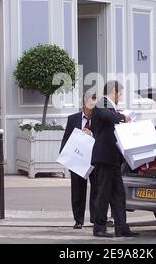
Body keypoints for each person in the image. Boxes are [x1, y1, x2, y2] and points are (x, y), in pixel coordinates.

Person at [90, 81, 139, 238]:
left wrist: (121, 116)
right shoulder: (101, 103)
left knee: (119, 194)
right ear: (114, 92)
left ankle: (121, 227)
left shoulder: (109, 106)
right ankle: (99, 228)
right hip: (104, 158)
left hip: (113, 158)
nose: (120, 97)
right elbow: (108, 116)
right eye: (120, 94)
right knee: (103, 193)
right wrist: (123, 116)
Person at [60, 92, 98, 229]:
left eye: (94, 106)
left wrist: (92, 134)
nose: (92, 109)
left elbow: (103, 137)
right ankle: (78, 220)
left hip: (94, 159)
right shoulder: (73, 119)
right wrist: (64, 156)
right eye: (90, 106)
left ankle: (95, 218)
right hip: (77, 160)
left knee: (96, 190)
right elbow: (66, 139)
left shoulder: (98, 119)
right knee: (77, 191)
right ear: (83, 104)